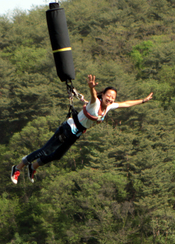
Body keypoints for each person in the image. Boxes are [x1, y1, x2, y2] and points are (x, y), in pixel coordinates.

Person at [11, 75, 153, 183]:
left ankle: (33, 166)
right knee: (46, 150)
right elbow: (92, 96)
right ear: (102, 95)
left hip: (76, 134)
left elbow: (126, 104)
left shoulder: (109, 106)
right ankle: (18, 167)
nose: (110, 99)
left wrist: (143, 101)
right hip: (68, 128)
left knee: (57, 156)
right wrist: (91, 87)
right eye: (108, 95)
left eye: (113, 97)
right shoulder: (95, 104)